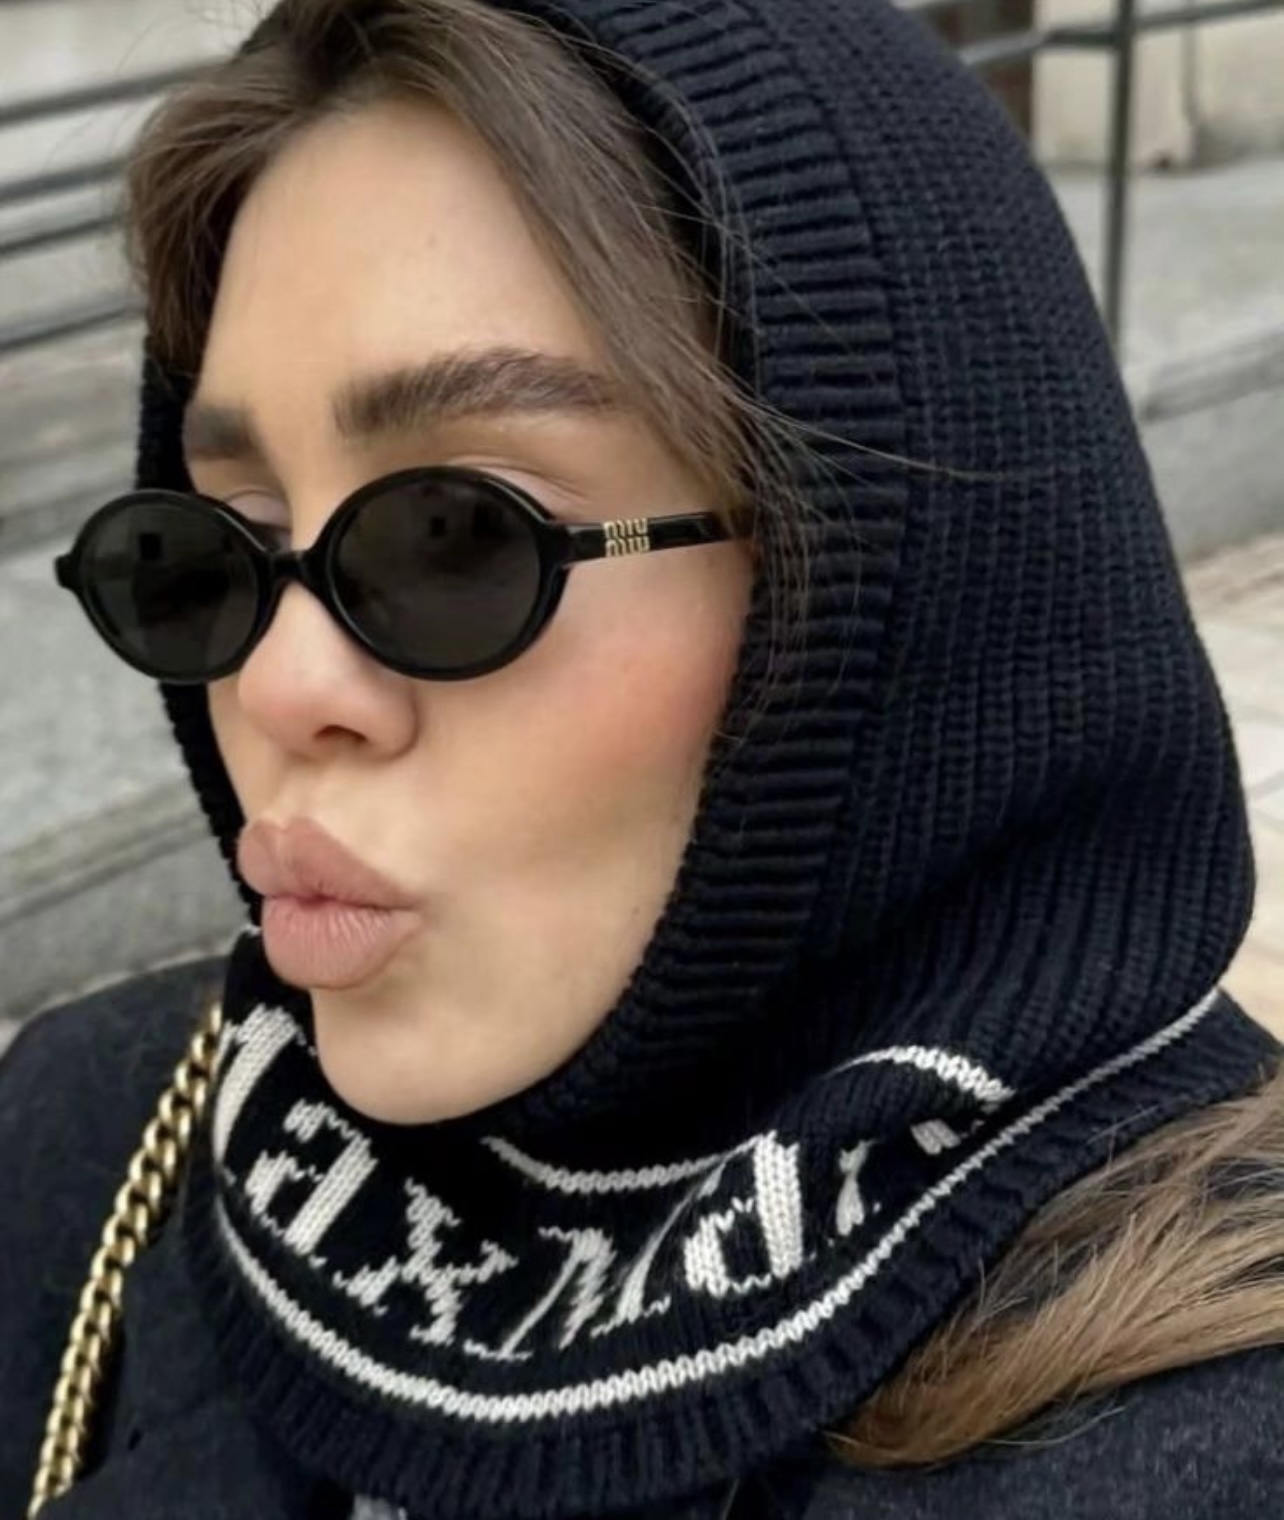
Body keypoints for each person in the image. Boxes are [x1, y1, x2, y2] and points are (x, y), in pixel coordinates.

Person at [2, 0, 1282, 1515]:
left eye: (456, 538)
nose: (277, 687)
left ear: (893, 592)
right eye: (222, 543)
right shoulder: (102, 1138)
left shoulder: (1204, 1447)